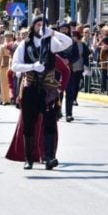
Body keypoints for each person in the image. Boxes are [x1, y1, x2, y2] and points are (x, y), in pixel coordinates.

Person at [10, 16, 73, 170]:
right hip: (31, 87)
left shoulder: (51, 43)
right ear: (33, 27)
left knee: (50, 122)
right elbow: (15, 66)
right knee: (29, 124)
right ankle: (29, 158)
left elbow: (68, 42)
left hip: (48, 89)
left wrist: (52, 32)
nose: (40, 28)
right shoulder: (24, 45)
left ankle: (50, 156)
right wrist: (31, 66)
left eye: (43, 25)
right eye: (38, 25)